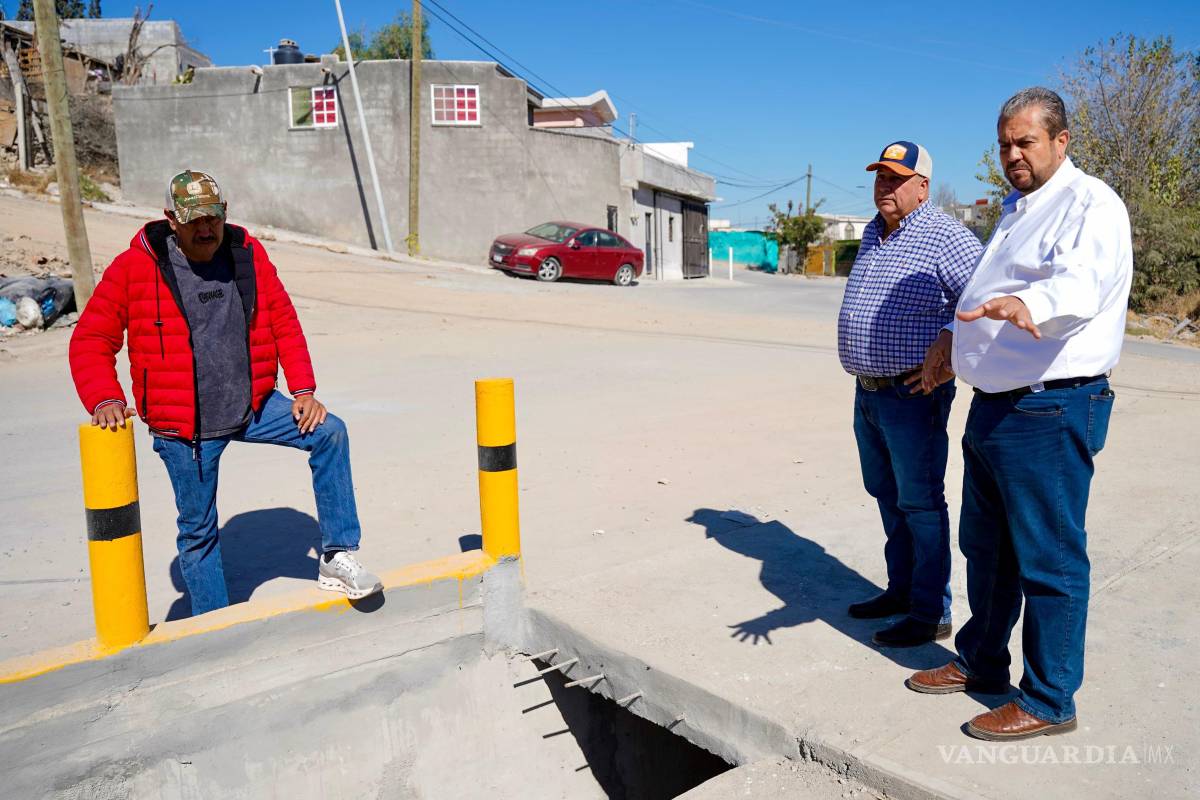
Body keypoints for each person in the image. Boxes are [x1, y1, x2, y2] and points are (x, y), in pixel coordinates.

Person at [906, 88, 1132, 741]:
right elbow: (985, 291)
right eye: (1005, 143)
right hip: (998, 409)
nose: (1012, 155)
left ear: (1061, 141)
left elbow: (1079, 284)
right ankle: (981, 663)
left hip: (1051, 407)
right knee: (986, 548)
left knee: (1050, 559)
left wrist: (1033, 308)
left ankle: (1050, 698)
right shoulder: (1016, 209)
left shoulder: (1092, 205)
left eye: (1025, 142)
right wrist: (956, 334)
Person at [69, 170, 382, 615]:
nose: (205, 229)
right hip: (184, 427)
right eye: (194, 219)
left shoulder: (246, 254)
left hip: (252, 404)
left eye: (212, 217)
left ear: (224, 213)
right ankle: (215, 626)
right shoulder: (135, 267)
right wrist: (106, 398)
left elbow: (283, 320)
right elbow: (91, 340)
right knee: (198, 531)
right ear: (170, 219)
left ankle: (336, 556)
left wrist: (304, 389)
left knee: (329, 432)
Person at [837, 141, 983, 646]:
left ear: (922, 186)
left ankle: (930, 611)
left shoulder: (943, 234)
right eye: (880, 176)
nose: (885, 186)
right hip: (869, 393)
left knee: (920, 504)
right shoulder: (875, 232)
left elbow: (983, 297)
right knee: (887, 496)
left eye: (896, 179)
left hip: (912, 395)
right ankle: (901, 591)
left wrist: (949, 338)